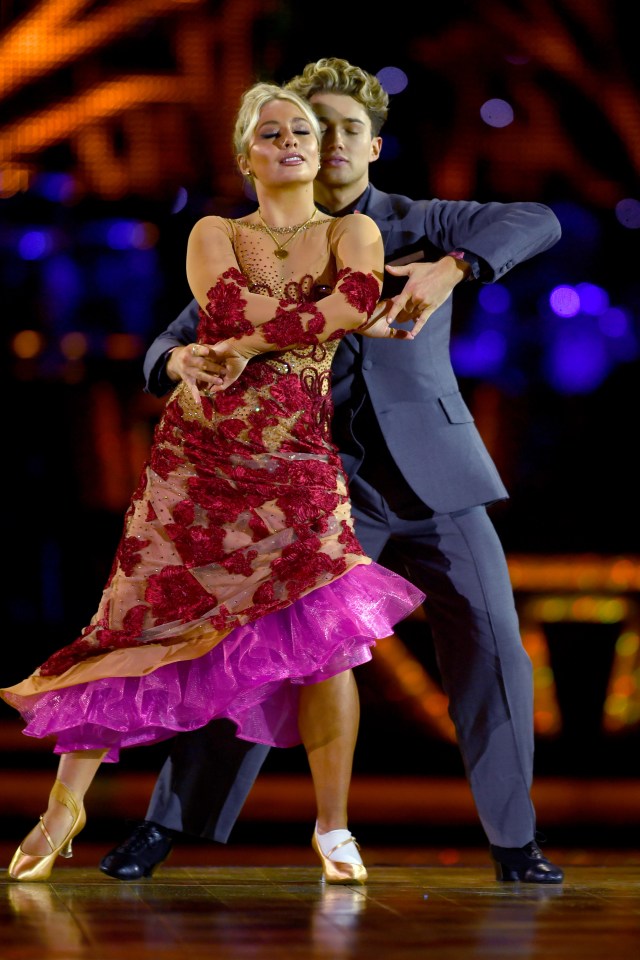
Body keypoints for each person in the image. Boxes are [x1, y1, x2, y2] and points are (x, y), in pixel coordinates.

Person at [100, 57, 565, 886]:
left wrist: (453, 267)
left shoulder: (421, 223)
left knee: (497, 653)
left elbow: (536, 219)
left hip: (437, 481)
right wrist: (175, 365)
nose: (330, 141)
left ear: (374, 146)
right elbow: (173, 339)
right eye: (313, 129)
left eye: (350, 128)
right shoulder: (257, 243)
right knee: (249, 660)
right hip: (314, 497)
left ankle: (515, 844)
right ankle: (164, 827)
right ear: (295, 146)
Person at [1, 80, 426, 885]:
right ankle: (65, 805)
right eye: (270, 133)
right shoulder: (212, 231)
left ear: (326, 148)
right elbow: (225, 312)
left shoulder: (354, 230)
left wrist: (238, 348)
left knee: (329, 649)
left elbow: (353, 305)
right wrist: (221, 347)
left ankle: (333, 827)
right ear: (247, 155)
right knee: (133, 625)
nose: (290, 141)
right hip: (199, 465)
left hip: (299, 468)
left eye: (300, 130)